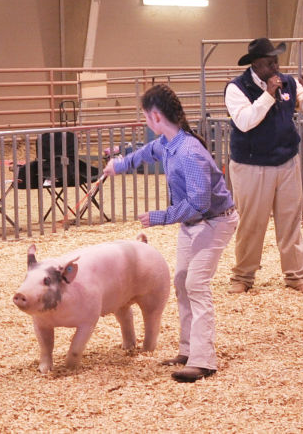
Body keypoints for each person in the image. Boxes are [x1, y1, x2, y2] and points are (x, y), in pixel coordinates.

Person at [102, 84, 238, 383]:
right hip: (194, 224)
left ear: (154, 116)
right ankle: (188, 350)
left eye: (144, 117)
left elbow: (199, 204)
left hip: (215, 222)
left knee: (196, 284)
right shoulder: (169, 142)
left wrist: (159, 217)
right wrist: (120, 165)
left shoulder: (189, 152)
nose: (145, 122)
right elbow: (146, 152)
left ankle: (204, 360)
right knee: (181, 282)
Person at [224, 37, 303, 294]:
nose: (276, 67)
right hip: (251, 164)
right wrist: (268, 95)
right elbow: (245, 121)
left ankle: (296, 275)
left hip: (287, 161)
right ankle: (243, 276)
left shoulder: (288, 83)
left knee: (290, 220)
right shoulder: (237, 88)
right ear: (256, 64)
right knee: (251, 222)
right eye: (270, 62)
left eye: (276, 61)